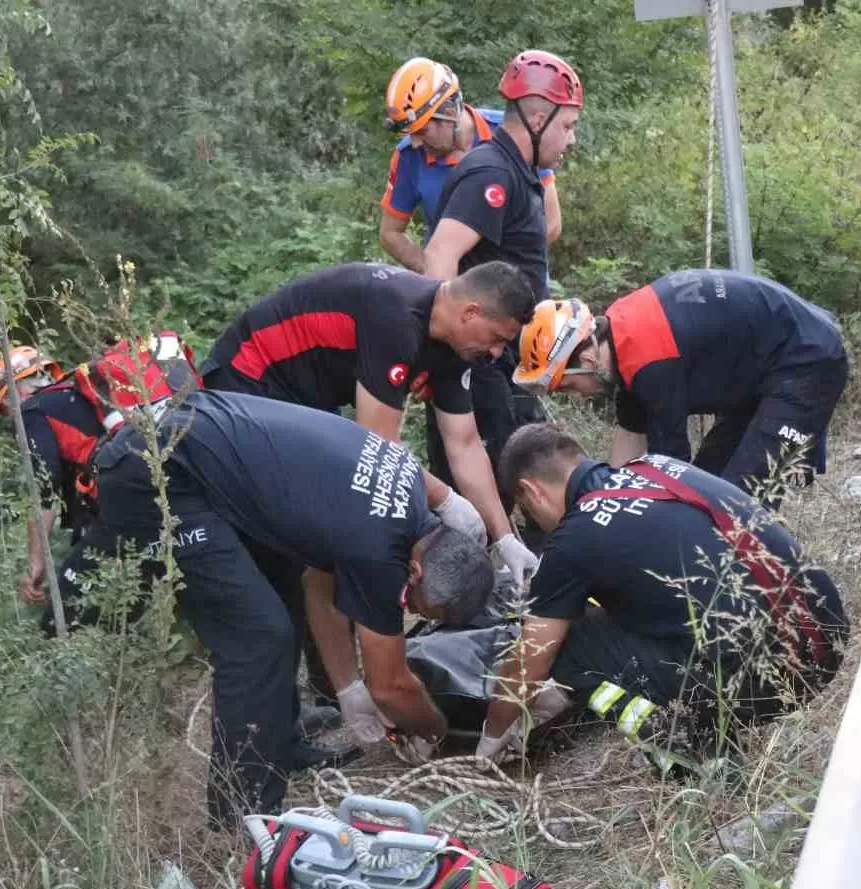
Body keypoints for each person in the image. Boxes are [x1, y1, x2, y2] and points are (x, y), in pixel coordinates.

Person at [93, 390, 494, 825]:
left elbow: (316, 583)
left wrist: (346, 689)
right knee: (259, 639)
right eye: (415, 605)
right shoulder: (381, 551)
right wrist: (435, 731)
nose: (405, 607)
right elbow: (393, 687)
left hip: (195, 439)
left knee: (279, 587)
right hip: (151, 469)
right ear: (414, 572)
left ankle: (280, 743)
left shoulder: (408, 500)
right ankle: (244, 814)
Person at [476, 424, 848, 770]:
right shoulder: (656, 467)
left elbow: (531, 660)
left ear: (532, 492)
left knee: (569, 645)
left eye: (528, 511)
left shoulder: (572, 541)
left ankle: (703, 760)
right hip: (825, 638)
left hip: (772, 675)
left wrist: (492, 737)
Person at [198, 261, 538, 577]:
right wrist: (446, 501)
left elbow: (463, 444)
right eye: (497, 339)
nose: (496, 353)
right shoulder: (396, 316)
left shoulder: (458, 347)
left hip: (306, 401)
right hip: (248, 381)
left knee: (327, 542)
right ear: (470, 313)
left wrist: (504, 536)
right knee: (289, 539)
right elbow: (378, 445)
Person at [512, 270, 849, 504]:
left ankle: (741, 594)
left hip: (806, 361)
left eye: (569, 387)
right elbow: (629, 441)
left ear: (585, 360)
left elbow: (672, 472)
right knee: (711, 482)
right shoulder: (621, 336)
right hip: (762, 370)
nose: (578, 397)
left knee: (739, 501)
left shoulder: (651, 367)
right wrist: (604, 505)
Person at [418, 49, 585, 523]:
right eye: (567, 126)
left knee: (523, 473)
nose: (571, 139)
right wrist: (447, 355)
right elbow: (440, 255)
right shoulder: (491, 171)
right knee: (485, 482)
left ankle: (530, 582)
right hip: (481, 360)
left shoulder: (519, 170)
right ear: (537, 116)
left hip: (505, 357)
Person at [0, 344, 144, 635]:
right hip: (145, 489)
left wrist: (36, 562)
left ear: (16, 392)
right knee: (131, 597)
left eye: (5, 407)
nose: (10, 415)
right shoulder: (80, 395)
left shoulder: (33, 412)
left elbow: (45, 489)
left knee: (59, 621)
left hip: (121, 503)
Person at [379, 57, 562, 273]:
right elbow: (391, 233)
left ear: (448, 112)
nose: (416, 142)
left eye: (422, 131)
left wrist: (504, 277)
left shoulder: (514, 134)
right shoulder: (409, 156)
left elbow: (551, 223)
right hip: (451, 288)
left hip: (518, 284)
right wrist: (433, 270)